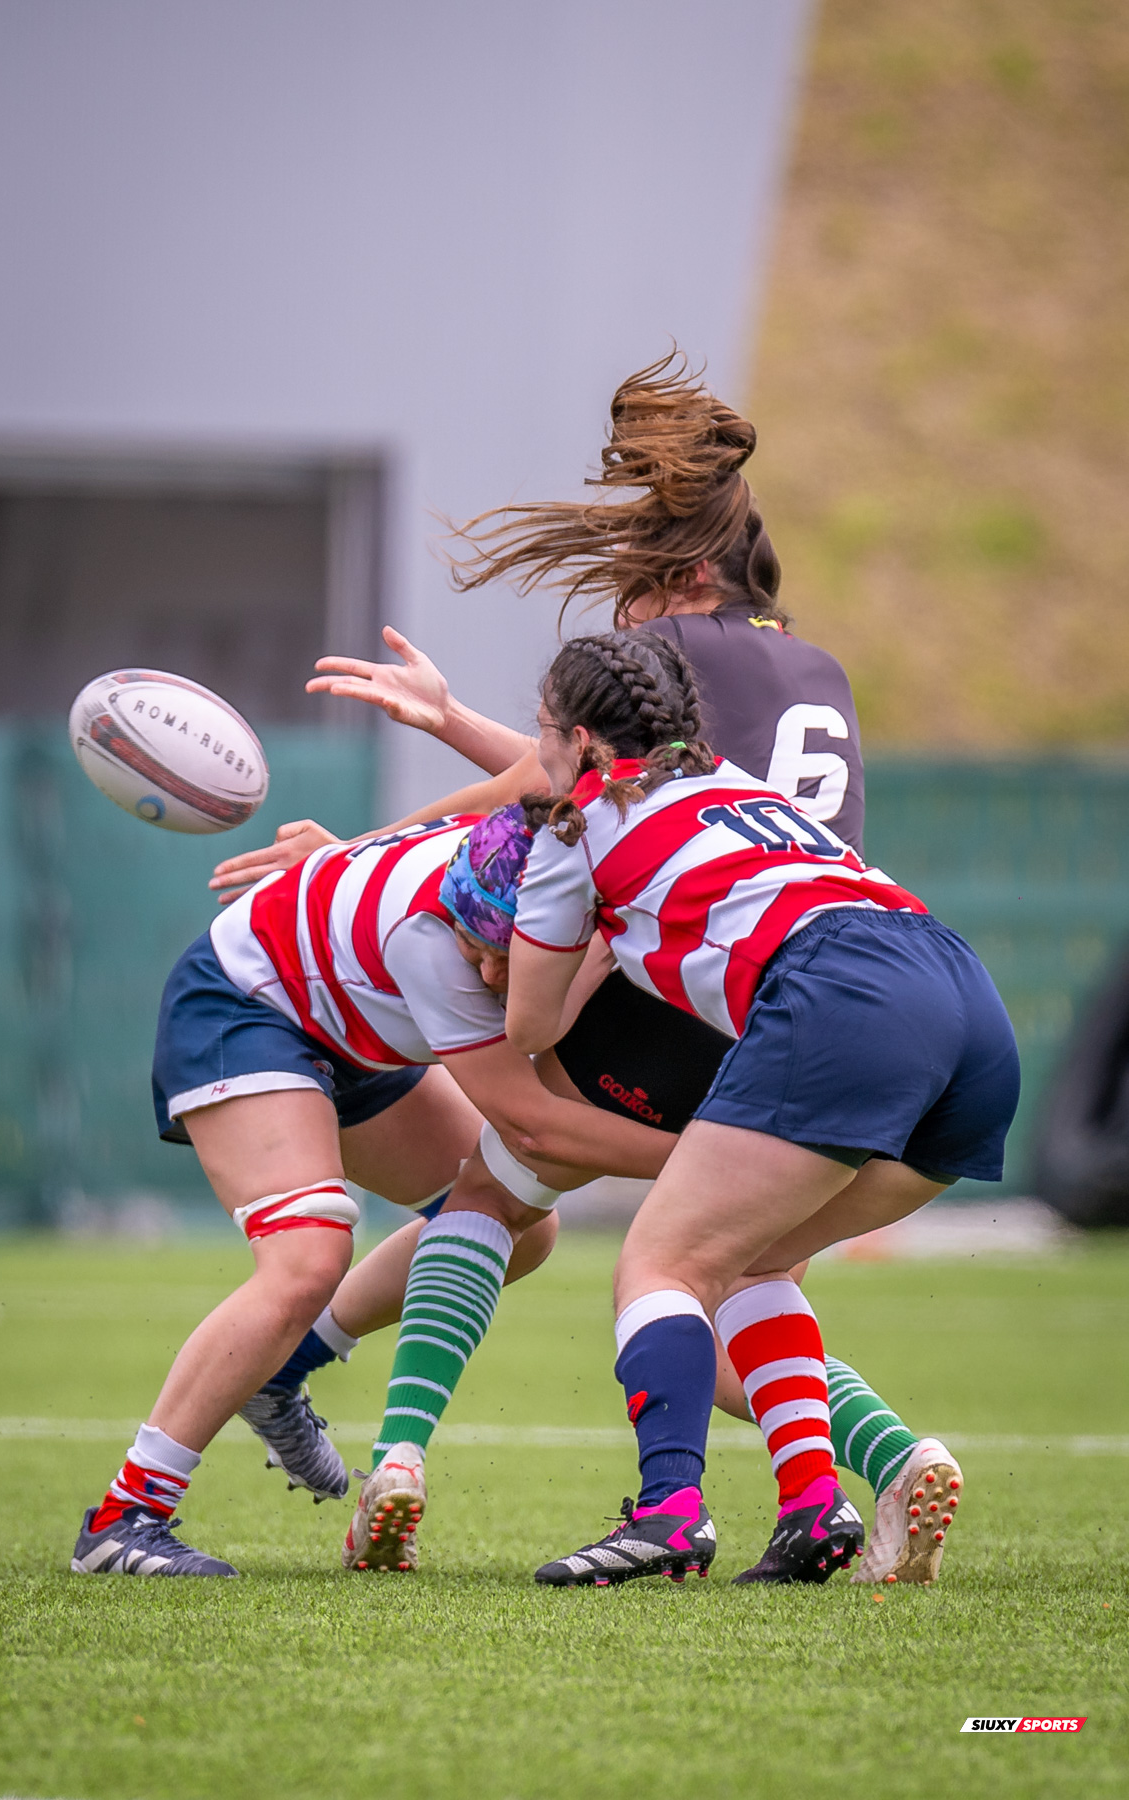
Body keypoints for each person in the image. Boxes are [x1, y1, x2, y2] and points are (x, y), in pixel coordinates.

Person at [211, 352, 970, 1584]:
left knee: (515, 1193)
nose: (620, 627)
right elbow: (594, 778)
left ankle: (385, 1444)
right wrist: (449, 717)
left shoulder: (685, 664)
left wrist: (351, 858)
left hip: (670, 992)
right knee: (711, 1253)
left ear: (683, 580)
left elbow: (545, 792)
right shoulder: (807, 667)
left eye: (630, 596)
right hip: (802, 990)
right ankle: (871, 1466)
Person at [500, 630, 1019, 1586]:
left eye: (540, 735)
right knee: (758, 1260)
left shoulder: (576, 825)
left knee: (660, 1263)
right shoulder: (740, 783)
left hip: (842, 994)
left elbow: (529, 1025)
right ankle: (815, 1510)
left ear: (580, 743)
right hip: (963, 997)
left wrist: (558, 938)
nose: (536, 757)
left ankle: (667, 1518)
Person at [70, 812, 674, 1579]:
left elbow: (530, 771)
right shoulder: (426, 939)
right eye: (476, 948)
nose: (490, 975)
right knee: (308, 1256)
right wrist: (711, 1156)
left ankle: (283, 1370)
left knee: (518, 1227)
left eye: (508, 958)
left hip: (350, 1024)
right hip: (247, 1003)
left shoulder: (545, 851)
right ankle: (125, 1518)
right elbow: (531, 1128)